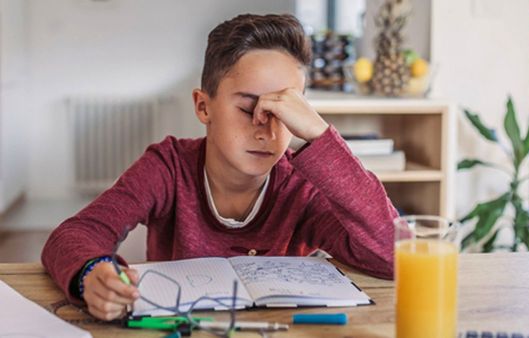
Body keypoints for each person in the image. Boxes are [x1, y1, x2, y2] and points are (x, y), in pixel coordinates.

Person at [42, 13, 397, 321]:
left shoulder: (301, 185)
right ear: (203, 107)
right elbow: (73, 235)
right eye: (248, 110)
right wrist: (92, 273)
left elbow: (394, 256)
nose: (267, 131)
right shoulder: (168, 168)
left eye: (285, 114)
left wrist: (321, 137)